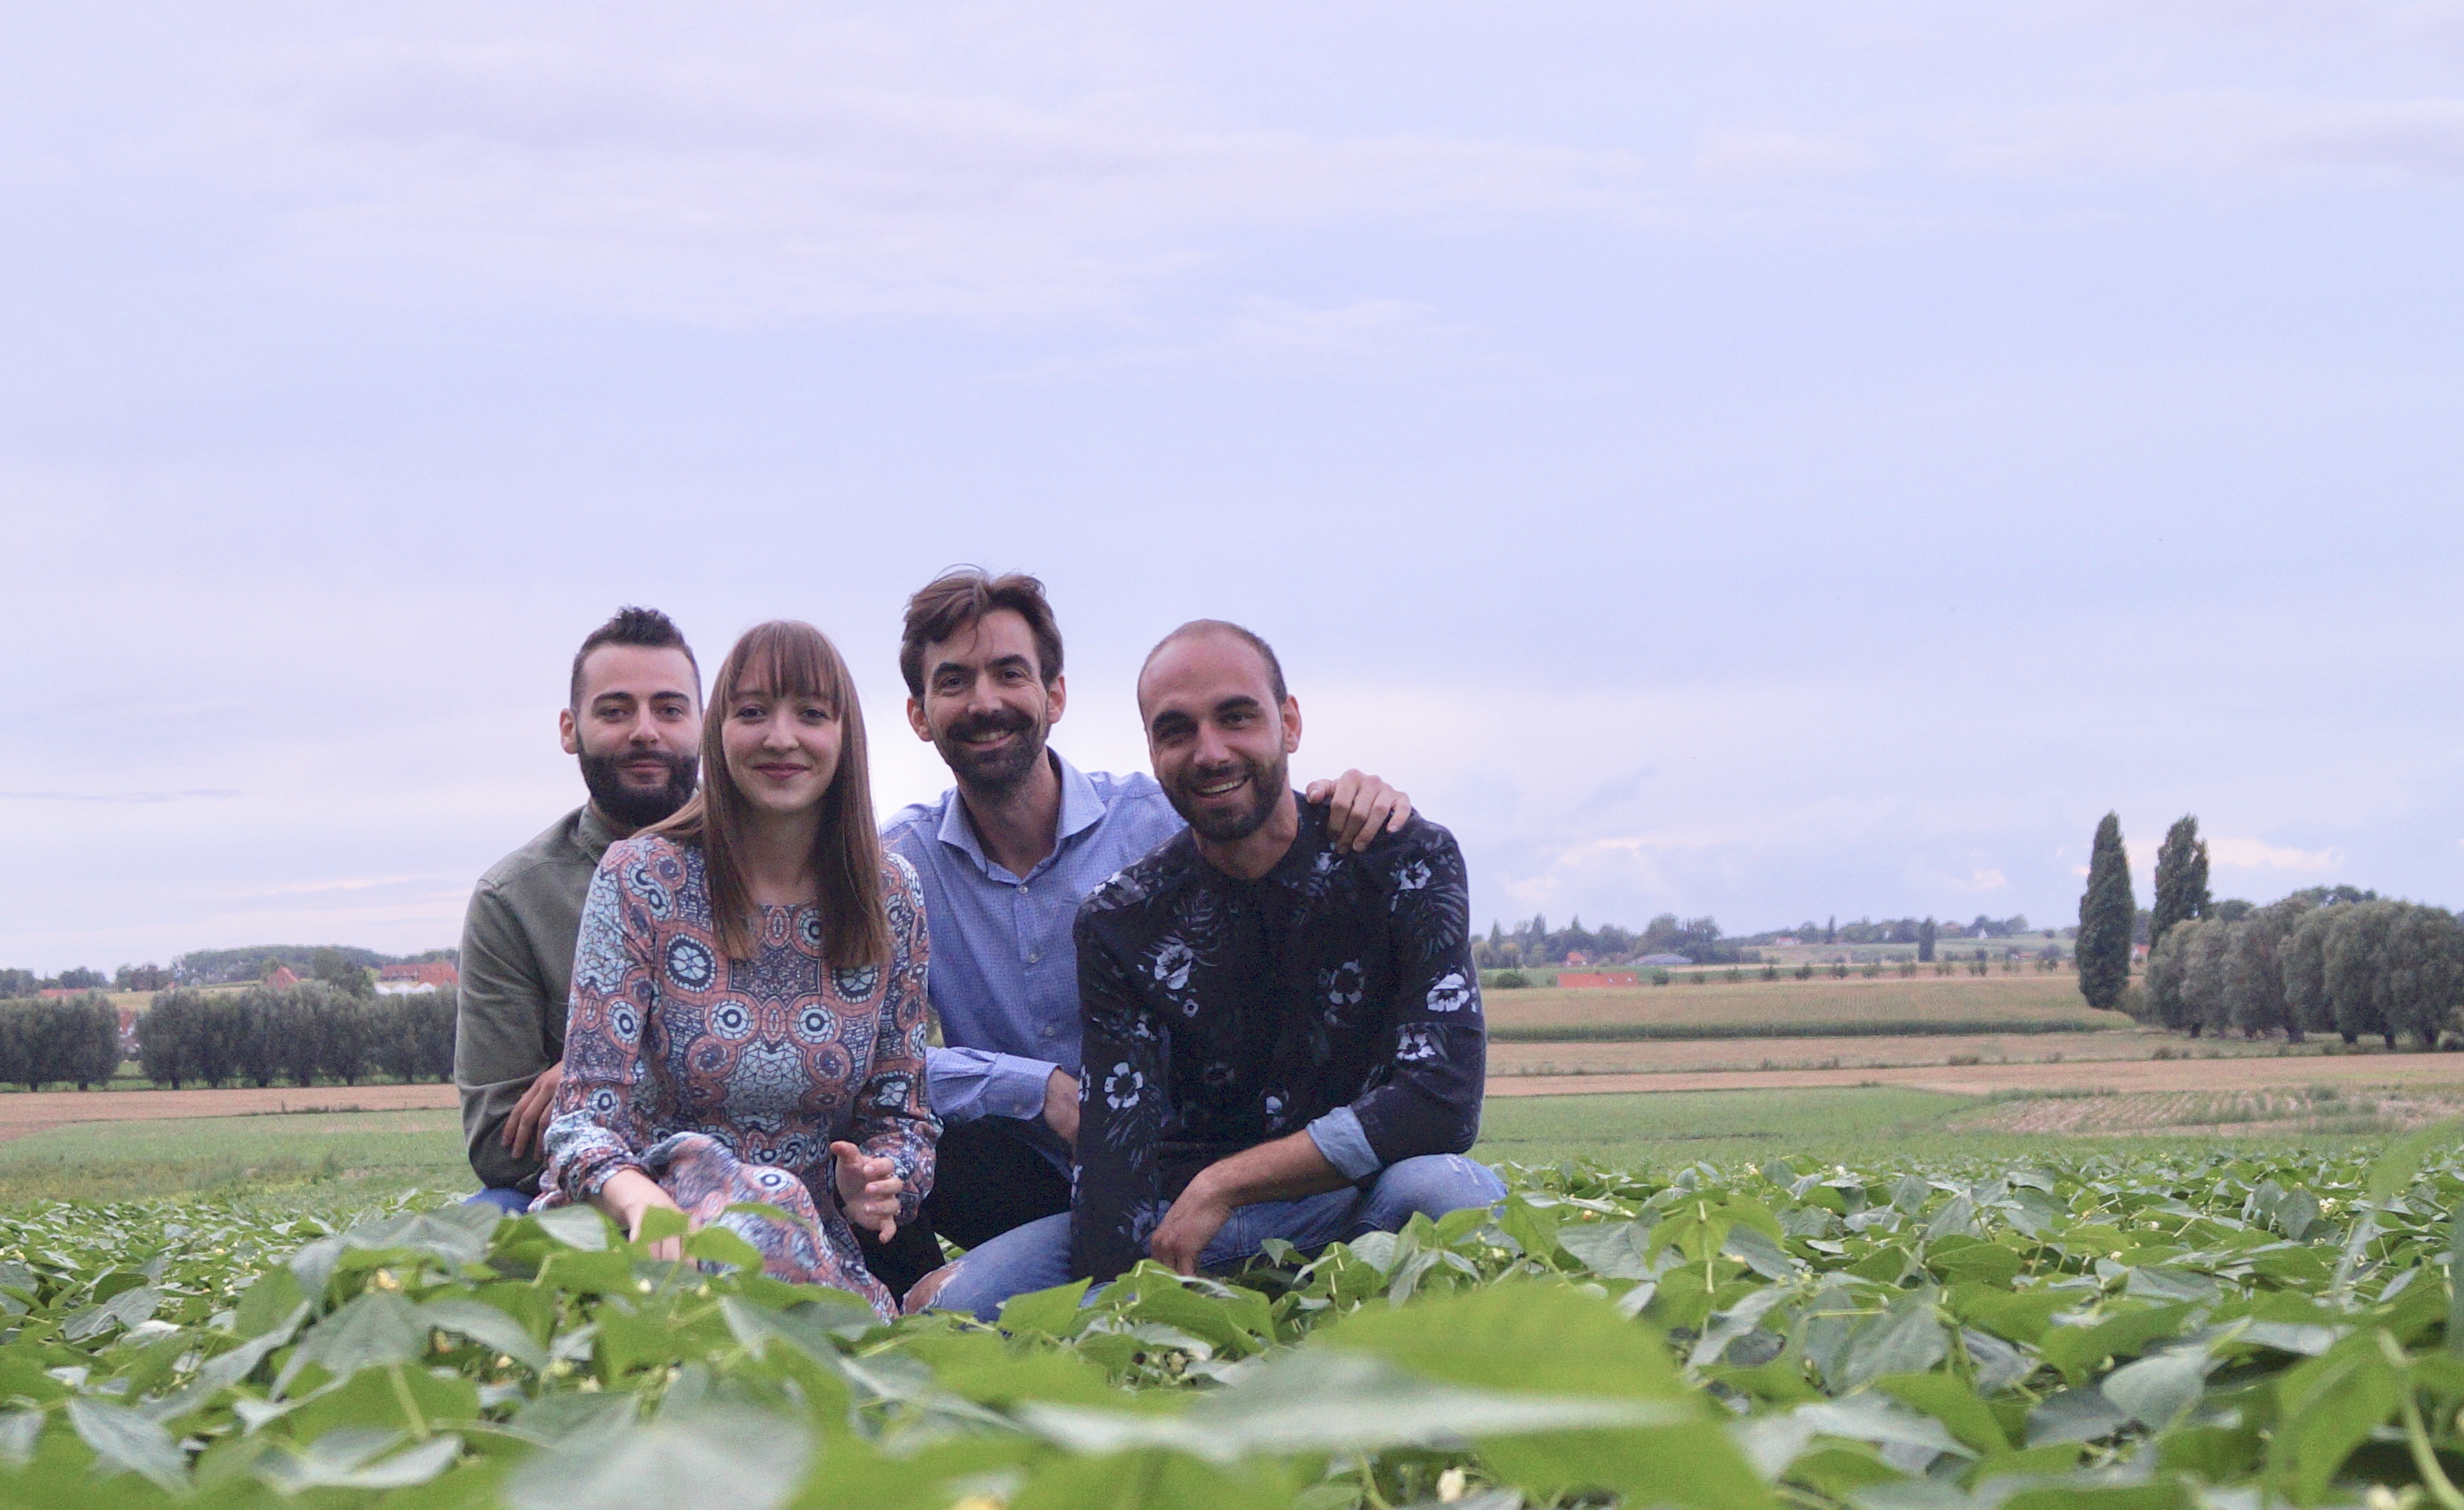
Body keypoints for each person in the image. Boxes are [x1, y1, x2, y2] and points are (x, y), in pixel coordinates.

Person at [916, 619, 1501, 1319]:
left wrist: (1225, 1184)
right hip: (1183, 1218)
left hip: (1365, 1193)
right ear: (1154, 752)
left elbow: (1441, 1097)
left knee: (1458, 1199)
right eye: (1177, 730)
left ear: (1289, 722)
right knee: (954, 1312)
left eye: (1235, 717)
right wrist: (1131, 1287)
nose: (1210, 751)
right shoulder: (1120, 918)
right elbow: (1115, 1163)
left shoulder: (1402, 858)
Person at [536, 619, 936, 1321]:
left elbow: (902, 1116)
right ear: (719, 732)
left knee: (779, 1214)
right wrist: (641, 1202)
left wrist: (878, 1179)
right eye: (752, 712)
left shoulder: (890, 895)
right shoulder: (640, 877)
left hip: (798, 1237)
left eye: (810, 714)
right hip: (639, 1226)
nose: (780, 737)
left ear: (846, 737)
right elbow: (578, 1123)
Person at [457, 607, 703, 1215]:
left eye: (670, 710)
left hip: (759, 1184)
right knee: (472, 1231)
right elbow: (499, 1145)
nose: (645, 731)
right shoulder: (512, 900)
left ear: (706, 727)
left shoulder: (777, 864)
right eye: (615, 711)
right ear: (570, 729)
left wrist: (596, 1064)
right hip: (576, 1202)